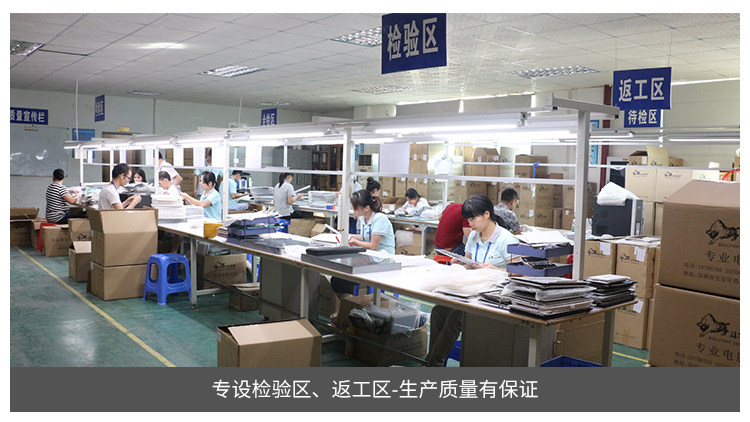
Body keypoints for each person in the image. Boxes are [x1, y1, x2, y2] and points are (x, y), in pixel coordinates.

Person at [423, 194, 518, 367]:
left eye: (473, 218)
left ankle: (433, 365)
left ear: (487, 214)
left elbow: (519, 274)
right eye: (468, 219)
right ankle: (433, 363)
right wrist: (462, 263)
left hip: (494, 295)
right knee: (438, 311)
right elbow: (469, 263)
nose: (470, 223)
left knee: (457, 316)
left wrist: (496, 270)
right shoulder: (474, 236)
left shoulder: (507, 239)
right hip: (473, 290)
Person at [331, 189, 396, 294]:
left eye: (356, 208)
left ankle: (356, 298)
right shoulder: (363, 218)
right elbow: (365, 237)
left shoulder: (380, 219)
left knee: (346, 277)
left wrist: (353, 241)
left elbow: (373, 246)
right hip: (370, 257)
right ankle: (348, 299)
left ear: (367, 208)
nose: (354, 211)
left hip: (382, 259)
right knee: (339, 276)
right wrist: (346, 236)